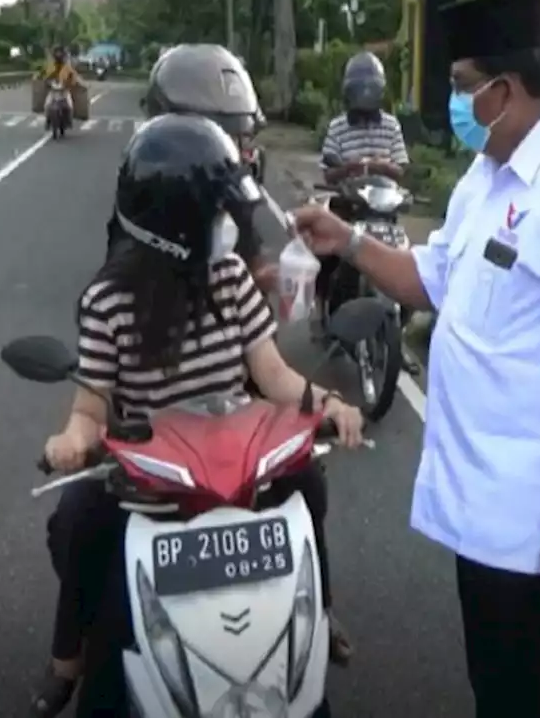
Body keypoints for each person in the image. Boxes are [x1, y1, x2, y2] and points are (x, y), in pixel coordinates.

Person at [291, 0, 540, 718]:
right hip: (476, 500)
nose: (452, 104)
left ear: (503, 91)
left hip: (527, 513)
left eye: (460, 88)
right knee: (492, 683)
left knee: (523, 695)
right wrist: (347, 240)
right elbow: (431, 278)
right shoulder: (485, 176)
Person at [30, 114, 364, 717]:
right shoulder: (107, 303)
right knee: (77, 519)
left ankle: (321, 612)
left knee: (308, 482)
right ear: (174, 223)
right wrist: (73, 440)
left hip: (239, 475)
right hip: (147, 489)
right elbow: (90, 405)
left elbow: (274, 376)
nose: (228, 226)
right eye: (215, 213)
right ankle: (68, 658)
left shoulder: (230, 279)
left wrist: (331, 404)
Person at [113, 43, 278, 294]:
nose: (237, 152)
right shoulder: (148, 184)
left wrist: (285, 277)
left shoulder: (230, 187)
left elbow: (253, 261)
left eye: (238, 139)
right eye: (225, 138)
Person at [314, 51, 410, 329]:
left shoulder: (391, 126)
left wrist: (380, 166)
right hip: (348, 207)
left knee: (406, 261)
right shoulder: (338, 127)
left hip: (383, 209)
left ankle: (399, 327)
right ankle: (322, 311)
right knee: (327, 255)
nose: (365, 96)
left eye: (370, 89)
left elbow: (400, 168)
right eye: (360, 90)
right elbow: (329, 173)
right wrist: (351, 167)